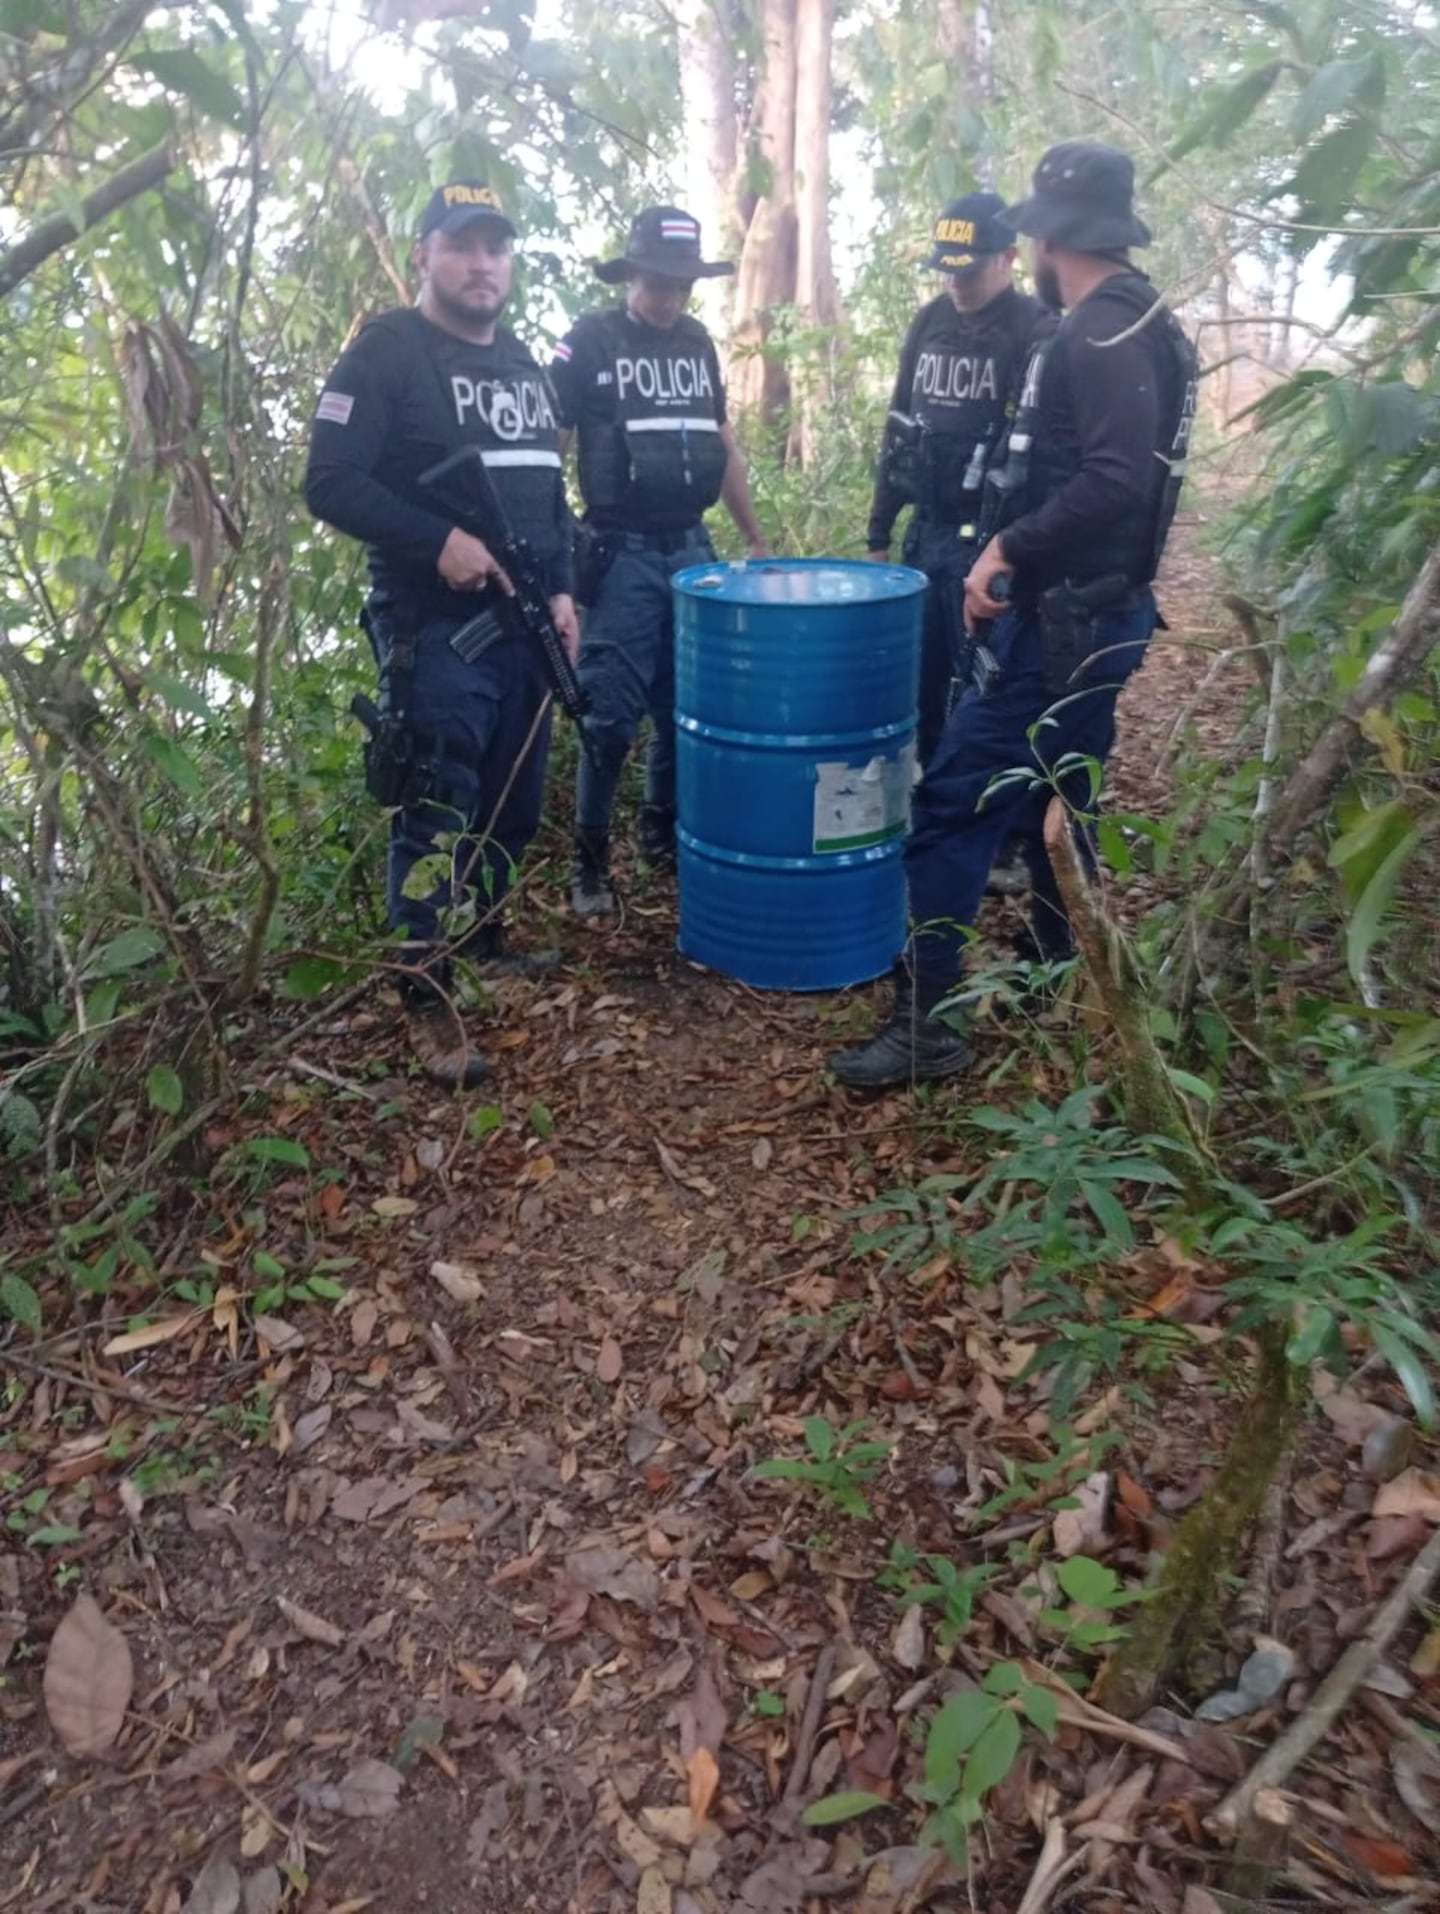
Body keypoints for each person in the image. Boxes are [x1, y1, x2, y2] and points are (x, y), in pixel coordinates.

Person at [830, 141, 1198, 1090]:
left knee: (953, 805)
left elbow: (1115, 479)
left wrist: (1008, 548)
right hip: (1095, 617)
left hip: (1067, 624)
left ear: (1045, 237)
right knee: (1056, 803)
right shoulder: (1142, 322)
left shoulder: (1094, 334)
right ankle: (1055, 978)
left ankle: (930, 1023)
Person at [306, 180, 577, 1089]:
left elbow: (550, 491)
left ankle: (486, 937)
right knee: (436, 805)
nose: (481, 264)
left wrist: (570, 591)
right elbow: (330, 481)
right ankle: (425, 993)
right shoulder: (387, 353)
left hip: (526, 623)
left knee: (514, 801)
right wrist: (441, 541)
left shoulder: (524, 363)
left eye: (496, 247)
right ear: (423, 252)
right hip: (435, 627)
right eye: (462, 246)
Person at [548, 206, 770, 918]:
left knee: (689, 706)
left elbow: (724, 445)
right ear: (632, 273)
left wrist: (757, 540)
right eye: (658, 279)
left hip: (691, 548)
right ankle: (588, 867)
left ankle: (660, 838)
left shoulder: (698, 345)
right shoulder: (589, 341)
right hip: (621, 556)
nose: (670, 294)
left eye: (682, 281)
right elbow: (547, 449)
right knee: (607, 717)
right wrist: (553, 554)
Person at [868, 192, 1049, 769]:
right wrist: (879, 534)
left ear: (1008, 258)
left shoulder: (1035, 331)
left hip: (989, 547)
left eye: (967, 271)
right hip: (926, 534)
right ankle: (925, 807)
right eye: (946, 269)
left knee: (983, 689)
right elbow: (899, 429)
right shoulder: (930, 321)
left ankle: (989, 828)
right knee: (918, 680)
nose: (955, 283)